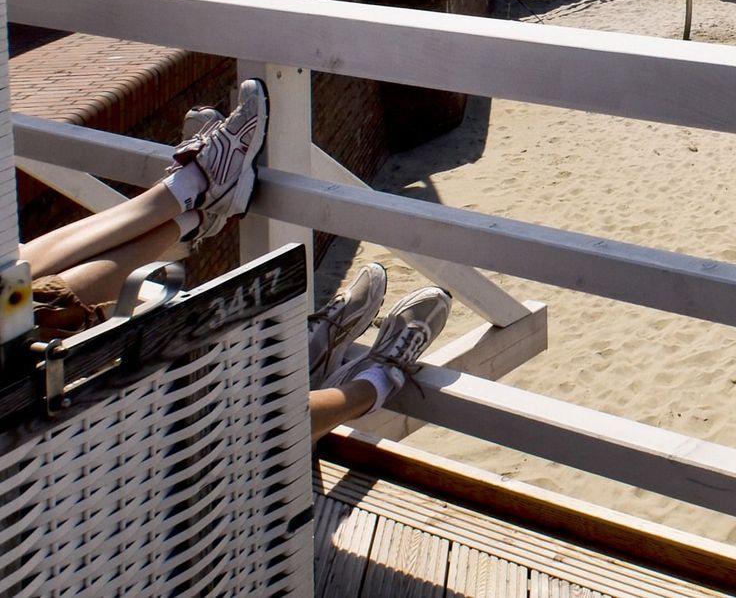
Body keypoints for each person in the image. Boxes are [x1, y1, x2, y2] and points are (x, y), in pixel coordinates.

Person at [20, 81, 452, 441]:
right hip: (87, 436)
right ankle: (375, 382)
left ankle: (194, 198)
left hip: (22, 373)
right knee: (236, 411)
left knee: (15, 284)